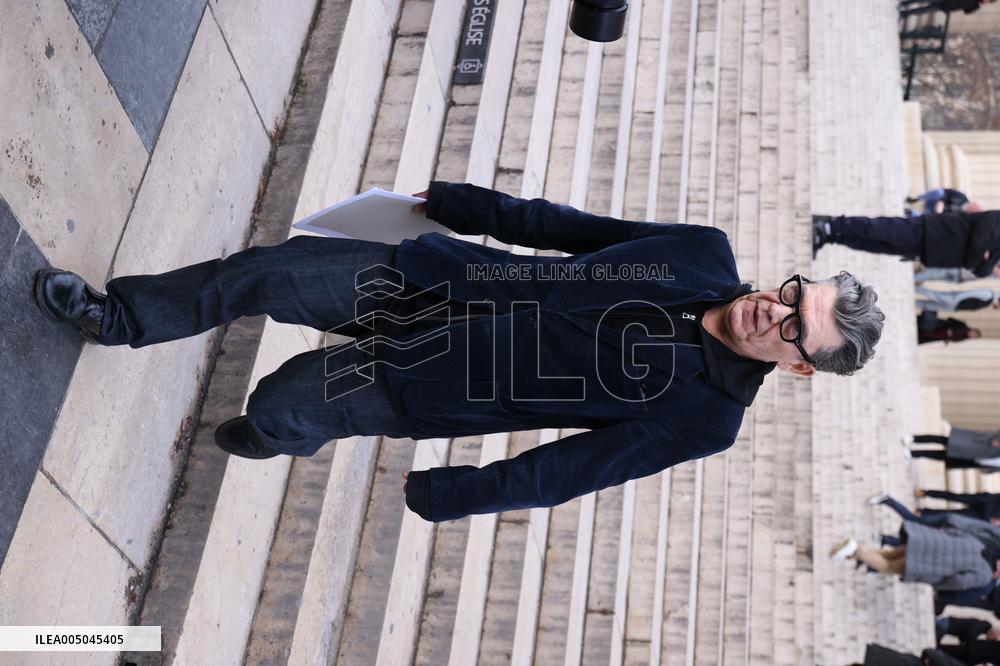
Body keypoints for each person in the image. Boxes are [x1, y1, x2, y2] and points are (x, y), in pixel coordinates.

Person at [33, 182, 886, 522]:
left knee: (285, 401)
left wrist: (457, 494)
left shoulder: (707, 418)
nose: (768, 312)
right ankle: (119, 317)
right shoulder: (701, 252)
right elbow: (575, 231)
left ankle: (274, 433)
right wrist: (469, 205)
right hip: (439, 279)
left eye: (790, 328)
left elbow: (574, 469)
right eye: (788, 293)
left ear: (802, 367)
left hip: (429, 382)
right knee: (266, 275)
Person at [812, 210, 1000, 278]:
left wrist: (981, 259)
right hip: (930, 231)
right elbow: (978, 241)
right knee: (876, 229)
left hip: (929, 251)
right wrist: (979, 258)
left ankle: (829, 237)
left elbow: (981, 272)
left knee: (874, 245)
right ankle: (830, 224)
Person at [907, 430, 1000, 473]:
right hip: (981, 445)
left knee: (942, 456)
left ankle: (914, 453)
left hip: (975, 460)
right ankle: (914, 439)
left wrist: (988, 471)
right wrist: (997, 438)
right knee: (945, 441)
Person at [917, 488, 1000, 522]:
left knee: (952, 514)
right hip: (985, 500)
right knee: (955, 497)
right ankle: (926, 493)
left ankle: (923, 512)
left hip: (985, 515)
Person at [917, 286, 999, 312]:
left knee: (929, 306)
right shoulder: (989, 295)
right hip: (955, 300)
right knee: (932, 295)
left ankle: (912, 303)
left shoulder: (990, 301)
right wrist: (956, 298)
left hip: (955, 307)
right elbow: (970, 293)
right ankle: (913, 288)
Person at [906, 188, 974, 217]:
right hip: (935, 201)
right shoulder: (962, 197)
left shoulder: (963, 216)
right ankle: (916, 199)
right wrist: (942, 201)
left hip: (933, 214)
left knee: (931, 221)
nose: (972, 210)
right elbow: (947, 191)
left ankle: (911, 213)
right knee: (939, 192)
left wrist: (939, 213)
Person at [898, 0, 997, 18]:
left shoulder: (976, 5)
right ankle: (905, 3)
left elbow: (967, 12)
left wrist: (979, 5)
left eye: (988, 2)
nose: (986, 1)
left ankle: (904, 14)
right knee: (925, 0)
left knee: (925, 10)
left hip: (948, 7)